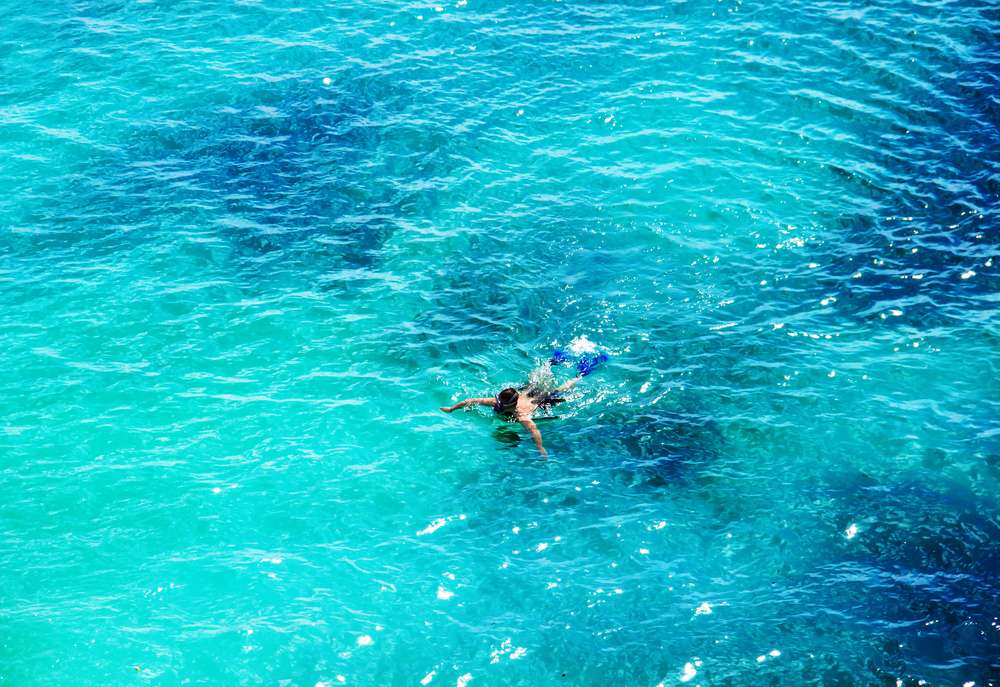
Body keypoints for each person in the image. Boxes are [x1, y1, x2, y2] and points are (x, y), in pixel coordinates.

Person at [439, 351, 608, 457]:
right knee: (533, 378)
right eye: (498, 401)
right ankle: (552, 361)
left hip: (539, 400)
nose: (496, 404)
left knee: (560, 390)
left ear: (510, 406)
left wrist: (540, 448)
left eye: (500, 404)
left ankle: (580, 374)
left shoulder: (522, 416)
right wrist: (452, 409)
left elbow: (534, 430)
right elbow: (471, 400)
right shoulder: (496, 402)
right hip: (526, 392)